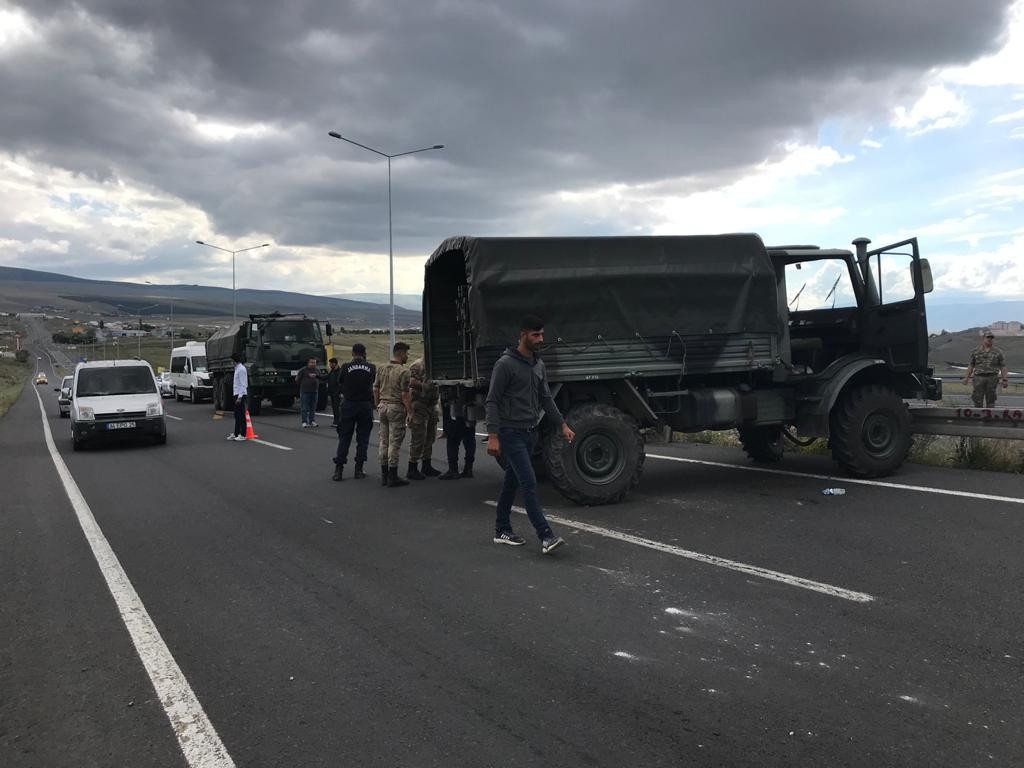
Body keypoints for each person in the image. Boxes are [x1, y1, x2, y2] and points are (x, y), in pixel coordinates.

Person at [486, 315, 575, 555]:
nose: (540, 339)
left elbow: (546, 398)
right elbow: (492, 401)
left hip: (530, 433)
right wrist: (493, 435)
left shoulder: (538, 364)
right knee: (529, 482)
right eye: (535, 335)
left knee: (511, 482)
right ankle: (546, 536)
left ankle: (501, 530)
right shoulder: (505, 364)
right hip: (510, 432)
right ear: (523, 334)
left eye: (542, 334)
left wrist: (562, 425)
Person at [333, 344, 376, 481]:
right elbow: (373, 382)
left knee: (344, 438)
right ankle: (359, 469)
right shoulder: (371, 367)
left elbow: (340, 381)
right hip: (365, 405)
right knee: (363, 439)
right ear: (364, 353)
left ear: (352, 353)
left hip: (349, 404)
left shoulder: (345, 367)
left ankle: (338, 470)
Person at [373, 341, 412, 487]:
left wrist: (377, 404)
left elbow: (375, 389)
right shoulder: (404, 371)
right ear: (401, 354)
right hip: (396, 408)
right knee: (394, 443)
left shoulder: (381, 368)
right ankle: (392, 475)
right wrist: (410, 411)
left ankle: (384, 475)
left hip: (382, 406)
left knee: (383, 441)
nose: (407, 356)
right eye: (406, 354)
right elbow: (405, 394)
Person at [406, 357, 442, 479]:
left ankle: (426, 465)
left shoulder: (436, 364)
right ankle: (412, 467)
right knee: (418, 437)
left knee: (430, 437)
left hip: (432, 405)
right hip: (420, 404)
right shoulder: (417, 365)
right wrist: (425, 386)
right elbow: (410, 381)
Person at [963, 330, 1009, 407]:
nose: (990, 339)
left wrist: (1005, 379)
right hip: (979, 378)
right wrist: (966, 378)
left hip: (992, 378)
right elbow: (971, 365)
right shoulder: (976, 351)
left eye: (991, 337)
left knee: (991, 400)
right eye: (988, 337)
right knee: (977, 400)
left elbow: (1003, 366)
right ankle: (978, 417)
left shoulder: (998, 352)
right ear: (983, 338)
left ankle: (989, 418)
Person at [438, 408, 477, 480]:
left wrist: (445, 427)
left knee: (452, 440)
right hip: (470, 410)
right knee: (469, 439)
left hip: (456, 408)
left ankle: (453, 470)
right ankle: (468, 468)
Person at [227, 352, 248, 441]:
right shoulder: (237, 369)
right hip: (236, 394)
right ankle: (236, 433)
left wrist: (239, 397)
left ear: (234, 360)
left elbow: (244, 384)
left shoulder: (241, 369)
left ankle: (243, 434)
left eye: (231, 360)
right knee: (237, 415)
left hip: (240, 394)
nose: (231, 362)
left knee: (241, 415)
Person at [296, 357, 322, 428]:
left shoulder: (317, 370)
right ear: (308, 363)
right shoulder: (303, 370)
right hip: (305, 392)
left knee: (313, 407)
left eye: (315, 362)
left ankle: (312, 421)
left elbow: (320, 378)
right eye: (312, 362)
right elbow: (297, 379)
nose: (314, 364)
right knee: (304, 407)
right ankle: (304, 422)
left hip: (315, 391)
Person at [325, 357, 342, 427]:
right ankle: (336, 420)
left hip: (337, 392)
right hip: (332, 392)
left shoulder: (339, 372)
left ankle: (338, 421)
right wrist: (317, 376)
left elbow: (341, 383)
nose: (330, 365)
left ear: (335, 364)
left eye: (331, 364)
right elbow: (325, 377)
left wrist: (341, 392)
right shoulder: (331, 371)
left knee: (337, 407)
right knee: (334, 407)